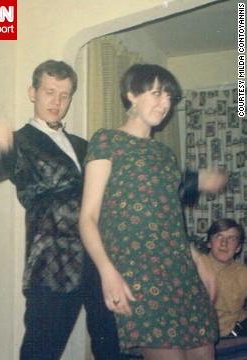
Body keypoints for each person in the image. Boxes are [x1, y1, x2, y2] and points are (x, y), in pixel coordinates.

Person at [0, 59, 123, 360]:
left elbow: (122, 183)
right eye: (49, 92)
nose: (57, 101)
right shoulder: (20, 141)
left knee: (110, 347)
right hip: (52, 264)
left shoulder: (86, 146)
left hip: (99, 259)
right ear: (33, 92)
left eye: (64, 95)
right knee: (40, 352)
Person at [79, 63, 221, 360]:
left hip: (179, 267)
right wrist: (107, 271)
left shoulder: (164, 154)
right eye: (157, 93)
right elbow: (88, 217)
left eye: (169, 96)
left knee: (203, 354)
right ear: (132, 94)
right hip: (138, 268)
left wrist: (199, 258)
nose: (165, 103)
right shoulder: (107, 140)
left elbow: (170, 220)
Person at [192, 218, 247, 339]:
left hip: (236, 331)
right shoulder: (194, 268)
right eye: (219, 236)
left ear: (238, 248)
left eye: (231, 238)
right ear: (209, 243)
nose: (224, 243)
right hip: (200, 335)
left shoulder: (243, 273)